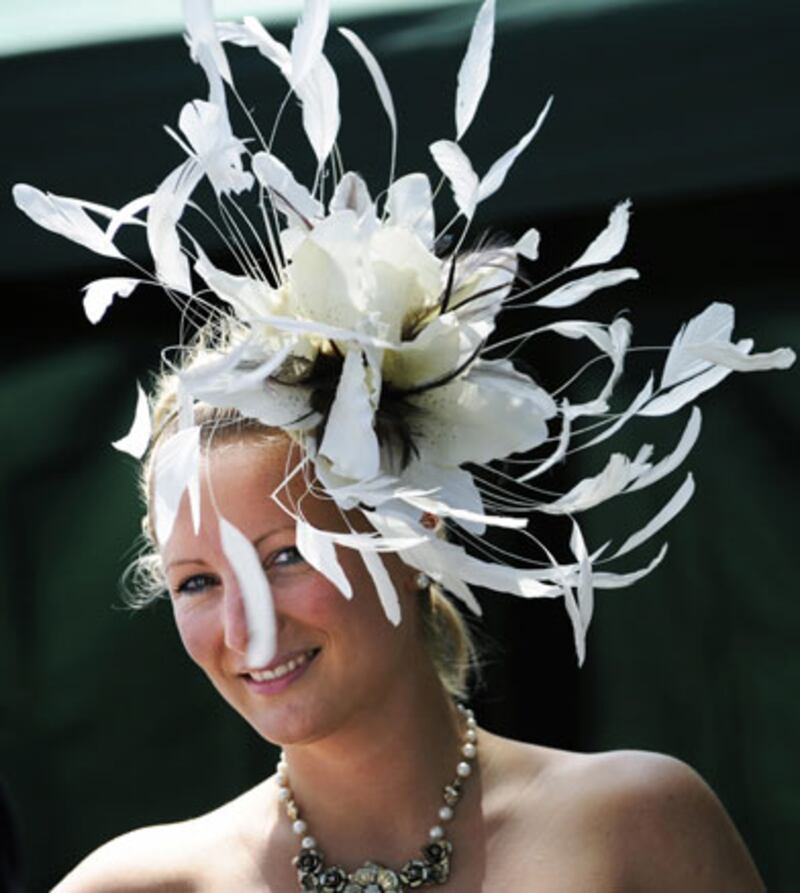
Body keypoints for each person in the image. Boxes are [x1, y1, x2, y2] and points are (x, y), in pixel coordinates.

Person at [13, 1, 791, 891]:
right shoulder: (137, 884)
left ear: (412, 527)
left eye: (287, 556)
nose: (244, 627)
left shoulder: (631, 823)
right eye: (198, 580)